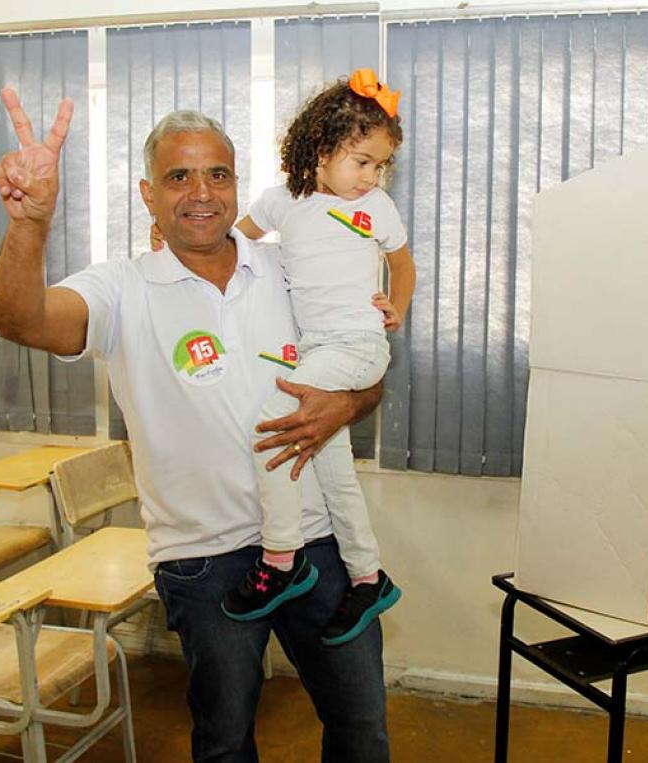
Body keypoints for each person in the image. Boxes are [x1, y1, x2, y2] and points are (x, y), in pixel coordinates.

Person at [0, 88, 391, 762]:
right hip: (204, 560)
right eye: (179, 175)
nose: (200, 191)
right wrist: (32, 221)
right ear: (149, 194)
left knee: (361, 729)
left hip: (318, 544)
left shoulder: (288, 266)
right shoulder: (121, 289)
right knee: (225, 741)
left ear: (237, 186)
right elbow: (20, 319)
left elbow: (363, 369)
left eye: (218, 173)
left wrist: (348, 404)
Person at [151, 68, 414, 645]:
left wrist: (396, 306)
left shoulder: (377, 207)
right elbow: (232, 237)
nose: (373, 175)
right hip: (320, 348)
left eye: (381, 165)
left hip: (358, 346)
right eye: (362, 161)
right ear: (321, 150)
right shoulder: (284, 202)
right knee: (331, 465)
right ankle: (367, 575)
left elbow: (403, 263)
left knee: (275, 426)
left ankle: (280, 557)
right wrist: (168, 237)